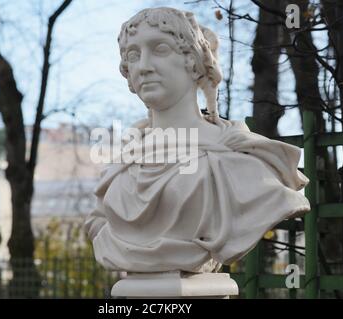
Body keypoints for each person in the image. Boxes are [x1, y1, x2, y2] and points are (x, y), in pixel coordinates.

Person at [84, 7, 310, 273]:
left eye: (160, 49)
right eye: (133, 55)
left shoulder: (240, 160)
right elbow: (98, 223)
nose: (143, 66)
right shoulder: (122, 162)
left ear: (193, 61)